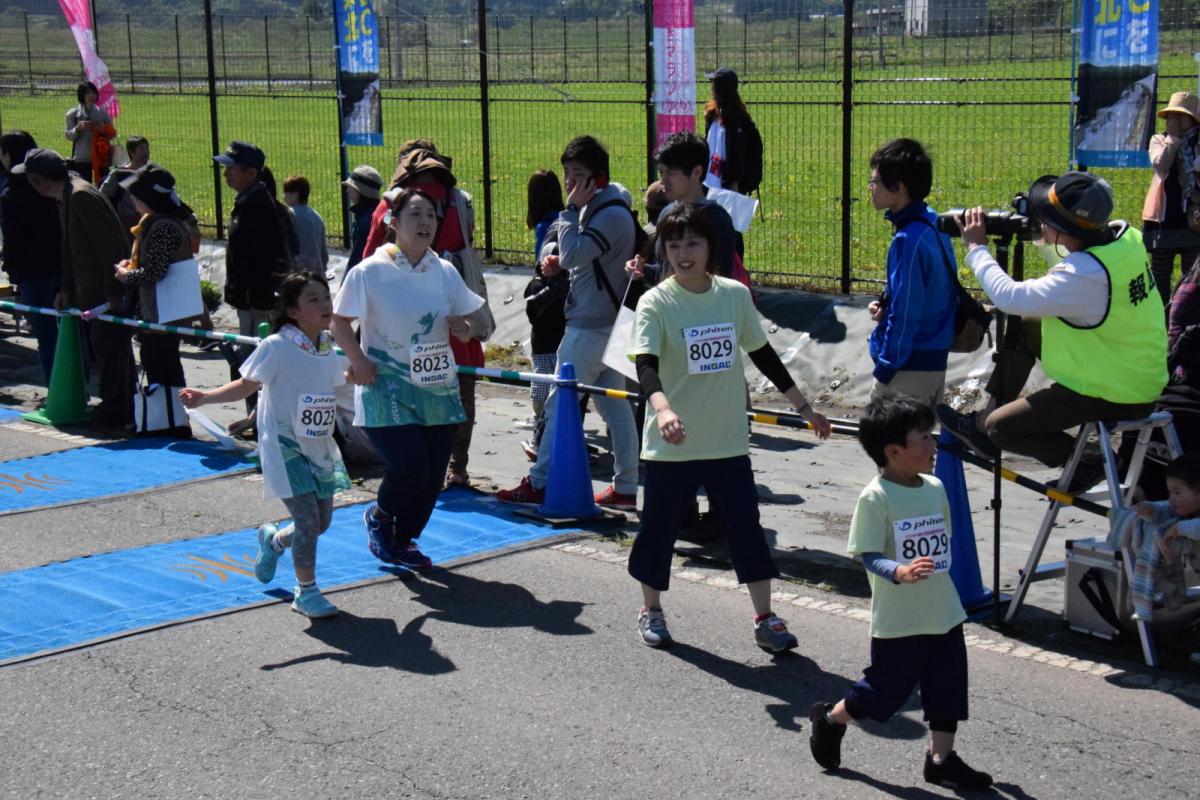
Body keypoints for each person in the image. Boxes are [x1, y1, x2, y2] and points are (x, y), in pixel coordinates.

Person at [626, 203, 830, 650]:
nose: (683, 253)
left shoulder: (733, 296)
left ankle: (765, 617)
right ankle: (652, 609)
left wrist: (804, 407)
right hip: (671, 444)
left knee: (746, 529)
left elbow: (764, 356)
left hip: (727, 443)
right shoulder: (654, 302)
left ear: (711, 247)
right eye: (674, 244)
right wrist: (662, 410)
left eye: (693, 243)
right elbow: (645, 367)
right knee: (658, 531)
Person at [938, 172, 1169, 494]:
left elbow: (1010, 298)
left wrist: (977, 249)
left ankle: (1090, 458)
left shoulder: (1085, 276)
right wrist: (1041, 233)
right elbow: (1067, 268)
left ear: (1064, 229)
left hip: (1116, 392)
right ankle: (982, 417)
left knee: (1001, 428)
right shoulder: (1123, 238)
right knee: (1027, 323)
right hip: (1132, 367)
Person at [806, 395, 993, 791]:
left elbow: (944, 541)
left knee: (948, 689)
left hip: (943, 611)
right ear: (893, 452)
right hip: (899, 620)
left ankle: (941, 759)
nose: (934, 443)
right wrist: (899, 571)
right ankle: (832, 719)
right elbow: (868, 555)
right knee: (884, 693)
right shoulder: (875, 498)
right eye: (924, 437)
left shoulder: (937, 487)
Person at [180, 272, 350, 618]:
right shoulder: (276, 346)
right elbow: (247, 385)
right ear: (292, 311)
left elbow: (335, 386)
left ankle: (273, 542)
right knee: (306, 522)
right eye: (313, 299)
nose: (325, 304)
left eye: (326, 296)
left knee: (321, 522)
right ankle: (306, 592)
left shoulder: (328, 349)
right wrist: (204, 397)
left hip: (318, 446)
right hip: (284, 446)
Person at [331, 188, 484, 570]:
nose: (425, 223)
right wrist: (358, 358)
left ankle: (403, 540)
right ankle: (380, 518)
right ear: (393, 223)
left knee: (432, 476)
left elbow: (474, 325)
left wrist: (463, 329)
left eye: (431, 215)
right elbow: (338, 322)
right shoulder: (370, 271)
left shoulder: (444, 271)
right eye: (415, 215)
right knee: (409, 469)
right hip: (387, 387)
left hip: (437, 389)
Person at [497, 135, 642, 510]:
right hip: (606, 323)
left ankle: (540, 481)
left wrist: (567, 213)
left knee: (558, 404)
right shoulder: (600, 209)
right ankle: (626, 487)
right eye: (567, 174)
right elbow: (579, 258)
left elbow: (577, 253)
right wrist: (558, 260)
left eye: (578, 175)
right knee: (615, 408)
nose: (571, 183)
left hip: (592, 327)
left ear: (600, 178)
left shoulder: (607, 212)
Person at [364, 141, 495, 487]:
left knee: (409, 390)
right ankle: (458, 466)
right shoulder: (459, 198)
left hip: (402, 320)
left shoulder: (394, 202)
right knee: (461, 386)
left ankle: (413, 465)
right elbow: (470, 239)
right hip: (453, 305)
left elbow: (368, 252)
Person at [18, 148, 133, 429]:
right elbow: (70, 248)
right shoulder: (67, 196)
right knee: (103, 349)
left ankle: (118, 410)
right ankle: (117, 406)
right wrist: (66, 288)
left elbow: (111, 249)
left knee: (111, 351)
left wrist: (114, 292)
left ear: (40, 181)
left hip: (103, 295)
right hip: (89, 293)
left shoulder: (81, 196)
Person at [864, 139, 956, 408]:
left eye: (875, 182)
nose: (871, 189)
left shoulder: (908, 239)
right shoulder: (931, 221)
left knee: (891, 446)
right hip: (932, 359)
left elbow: (906, 313)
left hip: (909, 366)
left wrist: (885, 368)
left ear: (899, 187)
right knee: (918, 446)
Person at [213, 141, 293, 423]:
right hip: (247, 300)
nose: (225, 175)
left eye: (231, 169)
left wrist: (261, 302)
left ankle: (260, 419)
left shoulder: (259, 206)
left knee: (255, 364)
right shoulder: (246, 202)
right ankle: (254, 418)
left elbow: (269, 259)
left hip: (257, 303)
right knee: (246, 361)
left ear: (250, 172)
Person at [112, 165, 197, 407]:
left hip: (164, 313)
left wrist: (127, 276)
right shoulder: (153, 222)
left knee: (164, 366)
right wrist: (131, 265)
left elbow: (155, 272)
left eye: (135, 194)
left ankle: (173, 417)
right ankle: (164, 416)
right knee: (154, 361)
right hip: (157, 310)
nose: (131, 198)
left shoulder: (163, 227)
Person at [633, 131, 737, 282]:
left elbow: (722, 282)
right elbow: (665, 273)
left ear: (697, 172)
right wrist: (643, 270)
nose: (663, 181)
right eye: (661, 173)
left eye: (671, 173)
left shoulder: (717, 220)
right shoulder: (666, 214)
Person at [0, 131, 62, 386]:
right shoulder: (51, 186)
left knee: (46, 334)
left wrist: (13, 270)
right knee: (68, 331)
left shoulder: (13, 193)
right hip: (60, 266)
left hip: (33, 272)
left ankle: (56, 390)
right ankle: (73, 387)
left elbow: (13, 238)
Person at [522, 169, 567, 452]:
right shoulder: (562, 220)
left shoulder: (544, 228)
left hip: (546, 335)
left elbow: (542, 259)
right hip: (558, 328)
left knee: (544, 382)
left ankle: (542, 435)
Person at [1142, 91, 1200, 304]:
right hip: (1163, 220)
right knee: (1160, 275)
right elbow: (1161, 165)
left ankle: (1186, 318)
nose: (1174, 120)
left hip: (1193, 219)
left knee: (1192, 276)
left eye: (1181, 116)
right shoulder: (1158, 140)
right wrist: (1173, 140)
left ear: (1193, 119)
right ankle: (1161, 319)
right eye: (1171, 115)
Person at [703, 66, 762, 256]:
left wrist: (735, 179)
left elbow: (743, 155)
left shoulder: (739, 121)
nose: (711, 88)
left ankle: (735, 274)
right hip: (709, 182)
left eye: (714, 84)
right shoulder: (712, 116)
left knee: (731, 233)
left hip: (729, 186)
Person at [99, 135, 151, 240]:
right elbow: (101, 196)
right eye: (141, 149)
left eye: (147, 148)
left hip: (148, 221)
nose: (146, 152)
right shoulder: (119, 175)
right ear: (131, 152)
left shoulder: (152, 172)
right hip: (125, 223)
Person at [64, 81, 115, 184]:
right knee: (83, 189)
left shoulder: (103, 113)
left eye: (93, 93)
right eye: (88, 93)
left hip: (101, 158)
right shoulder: (72, 114)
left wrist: (102, 128)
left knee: (102, 188)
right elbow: (68, 136)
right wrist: (77, 129)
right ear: (81, 95)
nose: (91, 96)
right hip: (82, 158)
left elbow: (112, 134)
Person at [282, 175, 328, 273]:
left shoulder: (289, 215)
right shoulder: (317, 217)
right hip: (317, 272)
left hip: (297, 273)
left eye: (286, 193)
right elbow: (324, 253)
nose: (283, 197)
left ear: (295, 194)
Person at [343, 164, 382, 268]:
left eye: (351, 188)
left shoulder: (365, 222)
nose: (347, 191)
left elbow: (356, 259)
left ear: (361, 191)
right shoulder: (378, 213)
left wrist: (346, 283)